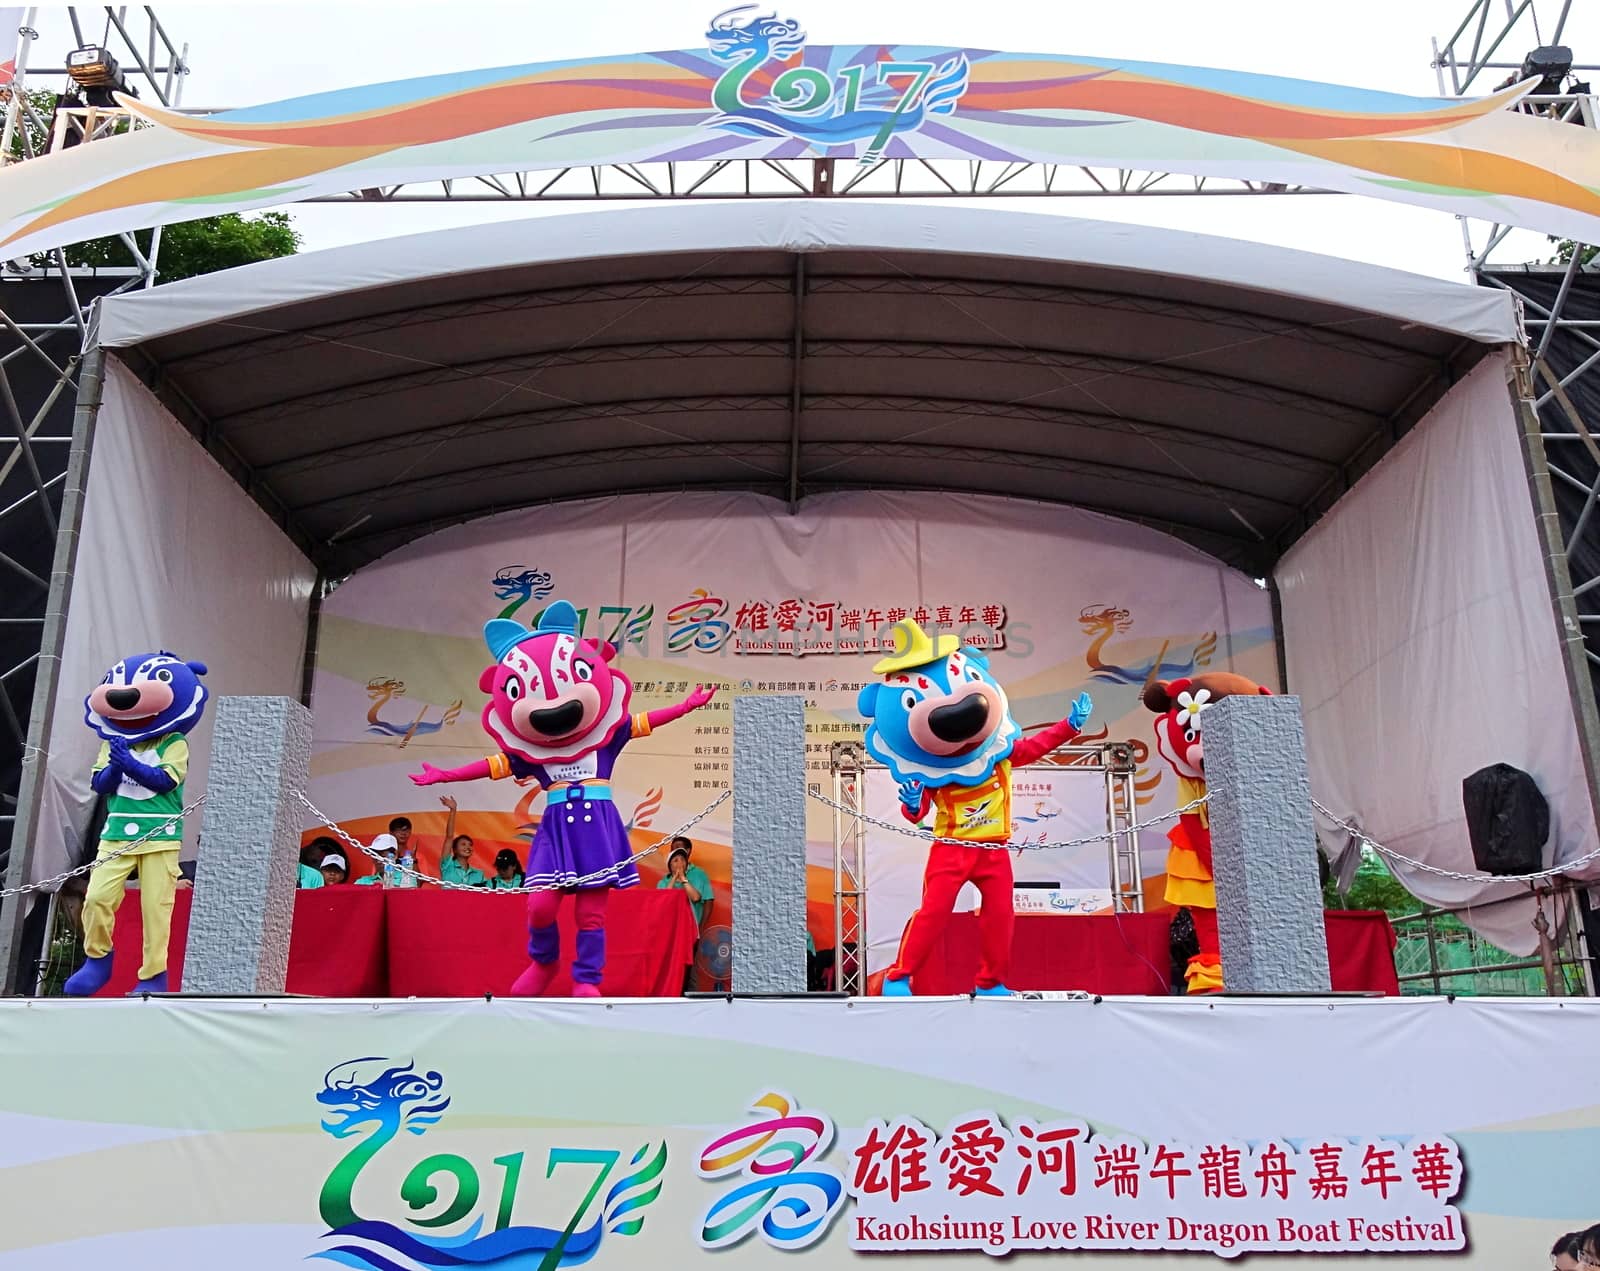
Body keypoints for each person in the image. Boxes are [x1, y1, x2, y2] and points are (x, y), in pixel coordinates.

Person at [658, 836, 712, 929]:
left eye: (682, 859)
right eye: (675, 860)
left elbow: (697, 898)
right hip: (669, 929)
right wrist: (675, 877)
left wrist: (701, 927)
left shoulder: (699, 874)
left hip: (691, 930)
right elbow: (664, 901)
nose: (680, 863)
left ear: (688, 851)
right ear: (670, 865)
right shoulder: (663, 882)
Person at [436, 795, 488, 887]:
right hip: (449, 902)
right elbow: (449, 837)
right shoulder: (447, 865)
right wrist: (453, 810)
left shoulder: (479, 874)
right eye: (463, 844)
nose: (468, 847)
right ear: (454, 849)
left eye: (470, 845)